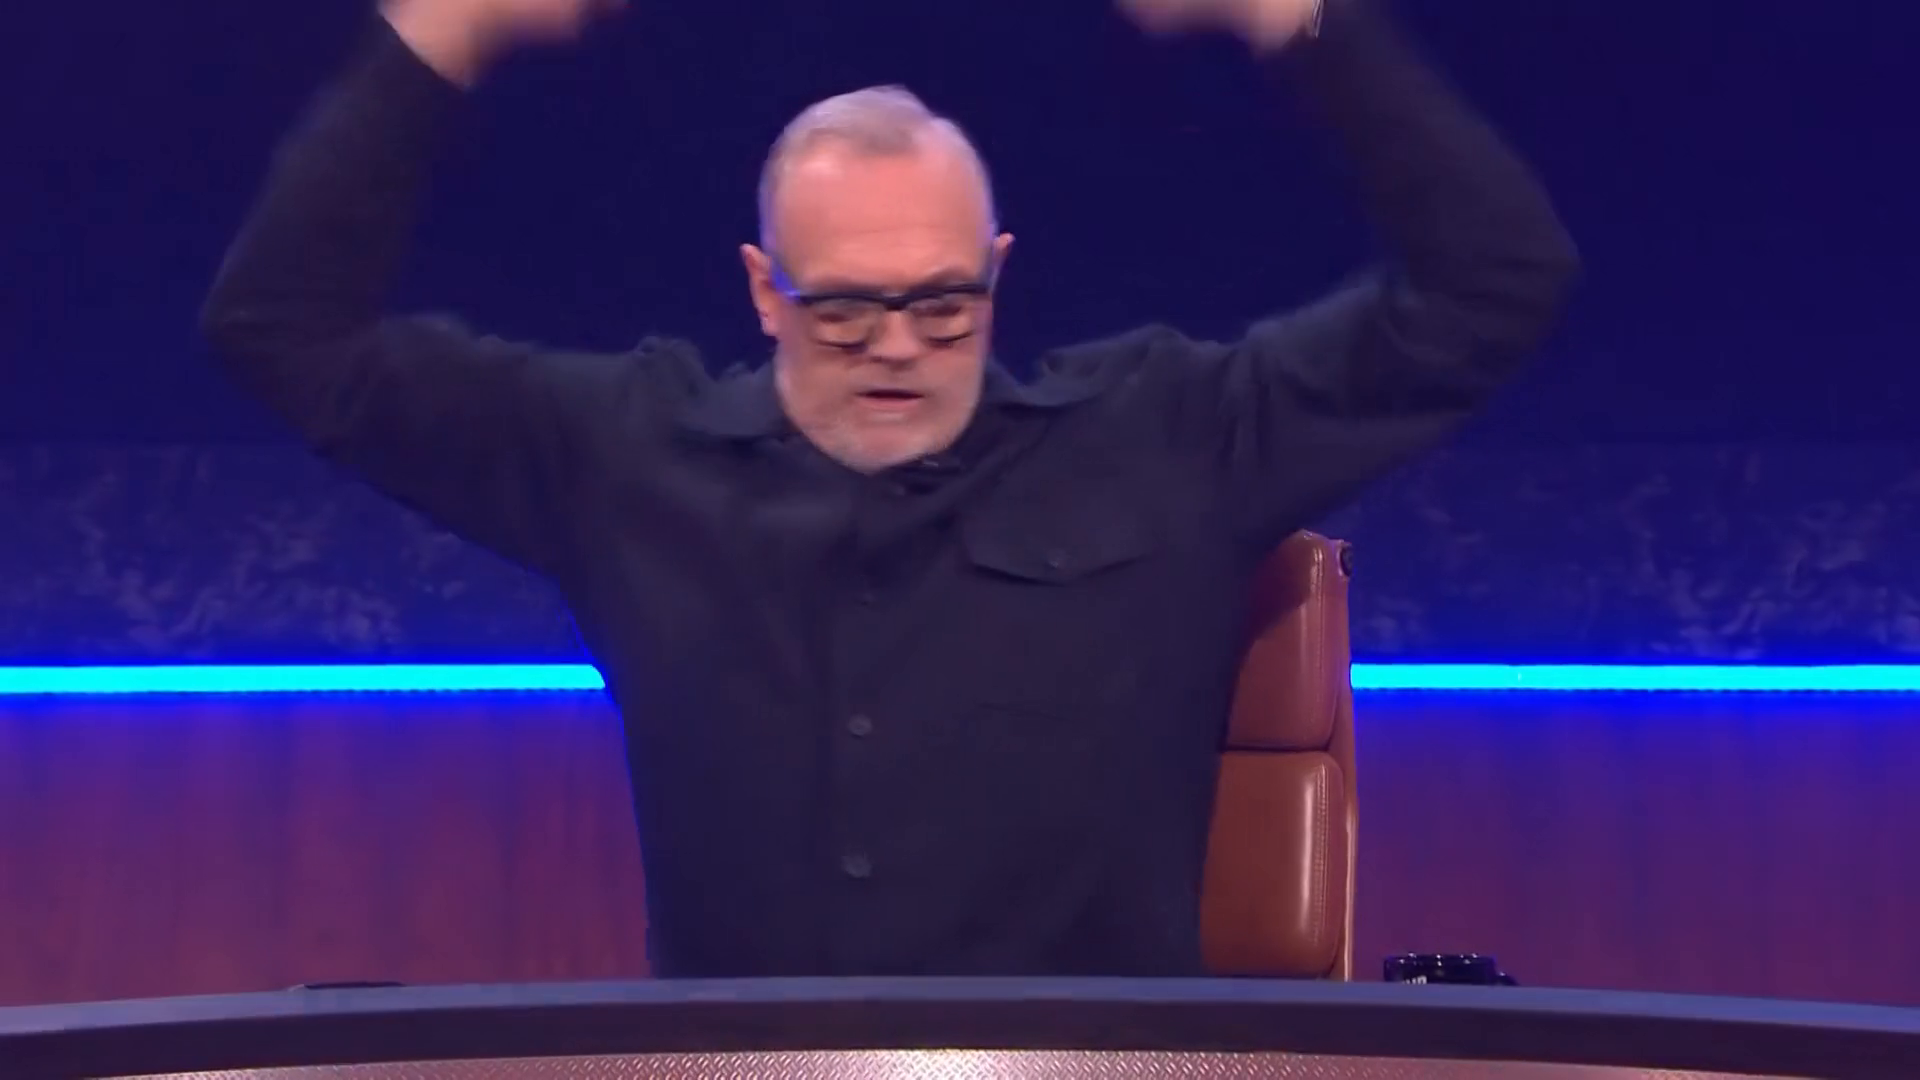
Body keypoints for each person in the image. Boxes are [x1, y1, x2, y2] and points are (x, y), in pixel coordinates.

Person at [202, 0, 1577, 978]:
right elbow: (282, 330)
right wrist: (438, 36)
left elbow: (1495, 286)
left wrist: (1304, 23)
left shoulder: (1167, 440)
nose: (901, 348)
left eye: (942, 302)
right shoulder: (624, 458)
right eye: (848, 311)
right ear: (765, 291)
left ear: (999, 270)